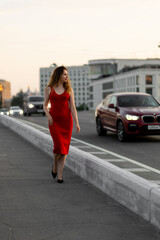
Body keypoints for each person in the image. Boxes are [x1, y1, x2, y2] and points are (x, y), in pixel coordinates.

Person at [43, 66, 80, 183]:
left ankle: (60, 175)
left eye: (67, 74)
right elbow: (45, 105)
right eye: (64, 74)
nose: (67, 76)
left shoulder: (69, 90)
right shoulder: (49, 89)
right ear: (58, 75)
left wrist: (77, 123)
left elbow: (73, 108)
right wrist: (48, 115)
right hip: (54, 122)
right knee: (58, 146)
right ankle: (54, 165)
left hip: (66, 123)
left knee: (64, 150)